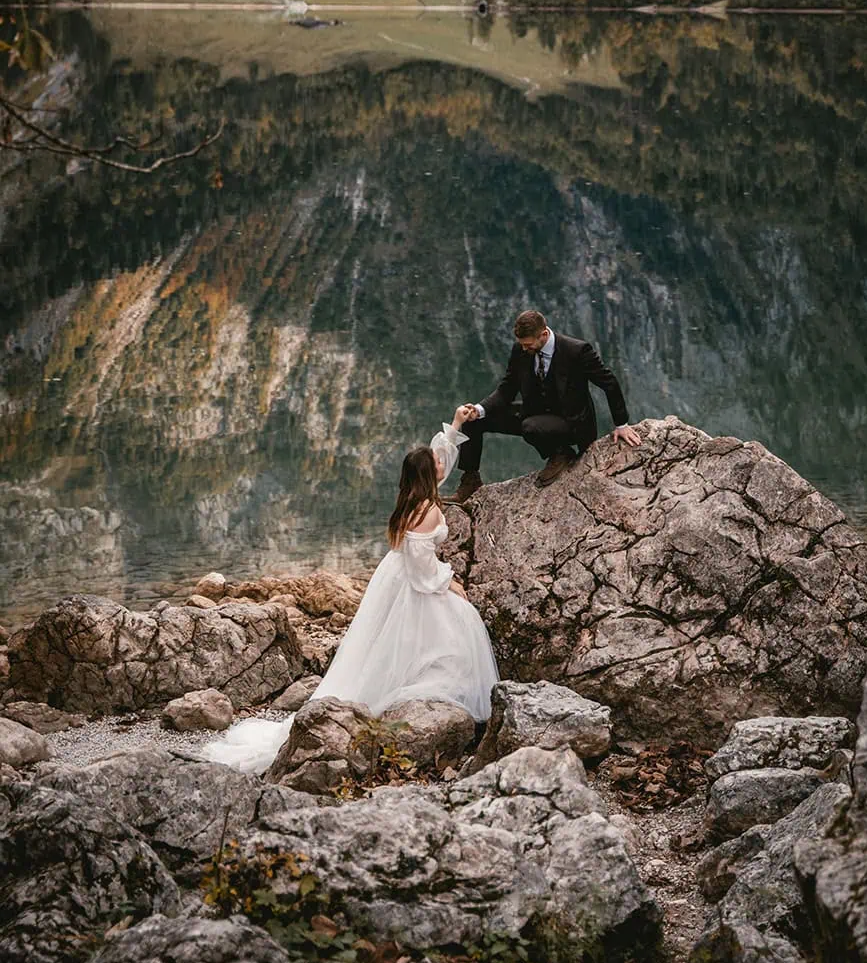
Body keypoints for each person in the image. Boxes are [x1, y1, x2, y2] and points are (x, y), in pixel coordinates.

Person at [201, 407, 498, 776]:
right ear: (429, 476)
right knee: (454, 628)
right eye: (437, 464)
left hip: (395, 576)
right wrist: (451, 582)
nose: (443, 463)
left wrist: (455, 425)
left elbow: (442, 456)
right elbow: (423, 568)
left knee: (388, 643)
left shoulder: (411, 497)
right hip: (414, 581)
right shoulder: (429, 510)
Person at [451, 308, 642, 504]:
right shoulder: (521, 349)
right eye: (522, 345)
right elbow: (507, 389)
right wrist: (478, 409)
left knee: (531, 427)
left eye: (528, 345)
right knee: (474, 421)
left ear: (543, 334)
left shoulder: (576, 351)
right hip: (534, 413)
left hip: (571, 422)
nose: (525, 349)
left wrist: (621, 424)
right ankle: (470, 483)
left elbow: (609, 382)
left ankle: (561, 452)